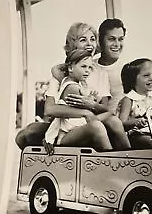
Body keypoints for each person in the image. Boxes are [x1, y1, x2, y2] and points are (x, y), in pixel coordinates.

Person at [16, 21, 130, 151]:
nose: (89, 44)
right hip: (70, 126)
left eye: (92, 39)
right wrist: (85, 112)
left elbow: (105, 108)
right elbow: (49, 110)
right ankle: (110, 163)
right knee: (27, 133)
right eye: (83, 40)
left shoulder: (100, 73)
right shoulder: (64, 72)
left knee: (112, 122)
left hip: (91, 121)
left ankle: (129, 158)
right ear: (71, 44)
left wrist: (91, 105)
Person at [43, 48, 114, 154]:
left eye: (90, 67)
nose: (87, 71)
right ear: (71, 68)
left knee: (109, 115)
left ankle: (115, 154)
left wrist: (89, 99)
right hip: (67, 132)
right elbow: (85, 109)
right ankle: (112, 156)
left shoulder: (73, 82)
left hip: (74, 126)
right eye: (83, 66)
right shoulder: (72, 87)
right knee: (108, 115)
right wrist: (90, 101)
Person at [119, 58, 152, 149]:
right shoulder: (129, 99)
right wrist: (136, 122)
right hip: (135, 134)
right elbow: (121, 122)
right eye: (146, 75)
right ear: (133, 79)